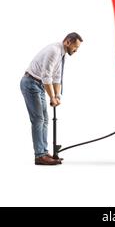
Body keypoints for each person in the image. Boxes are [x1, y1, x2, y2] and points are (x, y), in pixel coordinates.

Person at [20, 32, 83, 165]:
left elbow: (56, 78)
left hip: (40, 85)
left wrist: (57, 96)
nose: (76, 50)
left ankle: (43, 151)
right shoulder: (54, 51)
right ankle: (39, 155)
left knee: (45, 119)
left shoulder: (62, 54)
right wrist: (52, 97)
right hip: (31, 83)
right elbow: (46, 76)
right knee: (38, 119)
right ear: (67, 42)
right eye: (75, 47)